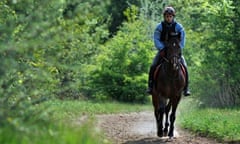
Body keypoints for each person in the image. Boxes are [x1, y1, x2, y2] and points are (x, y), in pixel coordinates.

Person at [146, 6, 191, 96]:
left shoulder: (179, 27)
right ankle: (150, 86)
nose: (168, 18)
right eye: (167, 16)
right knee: (153, 65)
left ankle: (186, 88)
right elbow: (156, 39)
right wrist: (162, 48)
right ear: (164, 17)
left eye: (170, 16)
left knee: (185, 66)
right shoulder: (159, 27)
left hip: (175, 51)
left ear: (173, 17)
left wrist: (179, 49)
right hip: (163, 50)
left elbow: (182, 39)